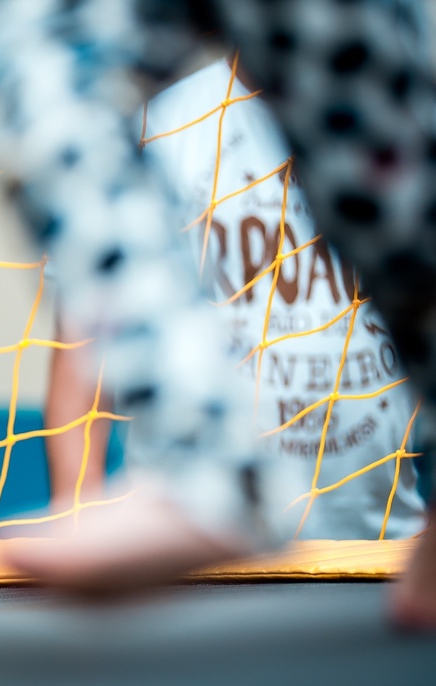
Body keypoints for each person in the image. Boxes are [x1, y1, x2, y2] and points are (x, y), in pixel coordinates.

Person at [0, 0, 436, 626]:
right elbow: (80, 339)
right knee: (40, 78)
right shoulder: (172, 122)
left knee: (392, 186)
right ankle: (210, 473)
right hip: (212, 504)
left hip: (372, 520)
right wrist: (74, 500)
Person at [43, 56, 427, 543]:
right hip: (193, 554)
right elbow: (83, 353)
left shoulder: (395, 119)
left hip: (379, 548)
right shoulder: (159, 119)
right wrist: (79, 521)